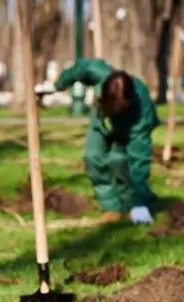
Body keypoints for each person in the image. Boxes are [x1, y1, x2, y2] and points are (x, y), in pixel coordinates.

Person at [53, 59, 159, 224]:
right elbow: (82, 68)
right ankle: (111, 206)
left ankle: (131, 203)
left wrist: (140, 203)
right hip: (101, 124)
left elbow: (139, 160)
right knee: (93, 157)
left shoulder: (141, 112)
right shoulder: (100, 75)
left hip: (129, 128)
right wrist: (58, 85)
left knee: (119, 161)